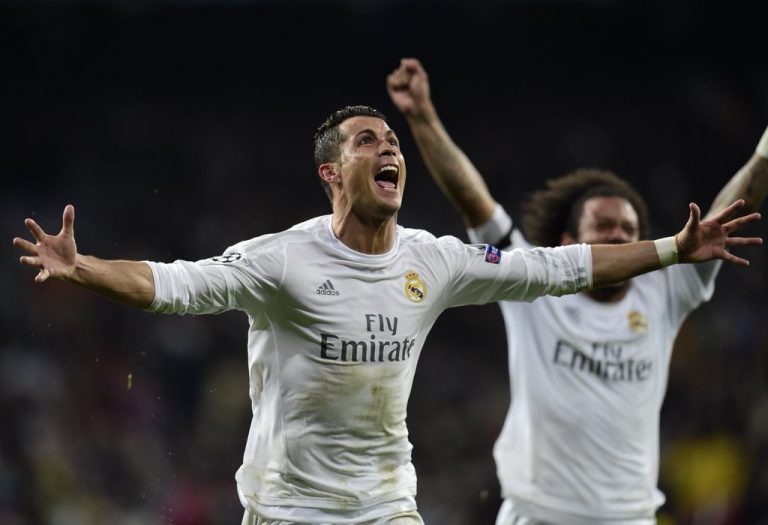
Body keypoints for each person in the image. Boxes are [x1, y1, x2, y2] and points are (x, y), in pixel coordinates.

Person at [13, 105, 761, 525]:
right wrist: (83, 267)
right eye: (367, 140)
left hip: (387, 506)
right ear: (332, 173)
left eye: (392, 140)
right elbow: (175, 284)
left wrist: (674, 248)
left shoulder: (433, 261)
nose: (387, 147)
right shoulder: (283, 260)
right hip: (287, 508)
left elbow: (556, 267)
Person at [387, 57, 768, 525]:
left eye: (628, 229)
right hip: (537, 517)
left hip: (630, 518)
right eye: (603, 226)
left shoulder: (665, 291)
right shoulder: (533, 283)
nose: (618, 236)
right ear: (569, 243)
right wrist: (423, 117)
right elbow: (473, 200)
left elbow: (729, 211)